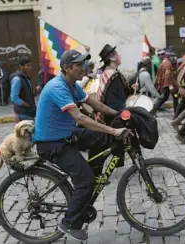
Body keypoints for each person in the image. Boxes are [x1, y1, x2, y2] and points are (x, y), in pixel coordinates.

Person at [34, 49, 128, 241]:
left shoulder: (72, 85)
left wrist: (119, 114)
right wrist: (112, 129)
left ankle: (91, 176)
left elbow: (95, 104)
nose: (83, 67)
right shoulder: (58, 87)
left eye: (83, 63)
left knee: (101, 138)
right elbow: (80, 117)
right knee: (86, 182)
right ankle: (69, 223)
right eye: (78, 65)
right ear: (67, 68)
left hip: (67, 135)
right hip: (53, 144)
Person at [96, 44, 135, 125]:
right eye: (117, 54)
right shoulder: (112, 75)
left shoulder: (110, 73)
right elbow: (113, 103)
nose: (119, 56)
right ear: (112, 57)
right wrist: (129, 113)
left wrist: (133, 89)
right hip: (116, 118)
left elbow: (121, 94)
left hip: (116, 116)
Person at [152, 49, 178, 116]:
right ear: (168, 56)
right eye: (172, 56)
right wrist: (170, 87)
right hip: (168, 84)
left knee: (165, 97)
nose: (173, 57)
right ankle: (176, 114)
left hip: (166, 83)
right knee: (175, 97)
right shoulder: (167, 64)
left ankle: (154, 110)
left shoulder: (165, 61)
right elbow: (167, 76)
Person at [10, 56, 36, 122]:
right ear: (21, 66)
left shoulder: (26, 78)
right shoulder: (17, 79)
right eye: (28, 66)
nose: (30, 68)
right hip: (22, 114)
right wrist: (26, 104)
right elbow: (14, 97)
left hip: (29, 113)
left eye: (30, 65)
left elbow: (27, 93)